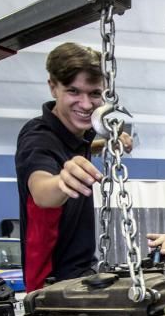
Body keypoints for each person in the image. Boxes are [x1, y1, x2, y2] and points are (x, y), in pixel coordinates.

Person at [15, 42, 131, 292]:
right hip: (51, 284)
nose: (86, 104)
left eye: (95, 93)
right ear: (53, 87)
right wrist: (62, 181)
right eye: (73, 91)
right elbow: (41, 190)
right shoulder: (38, 136)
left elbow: (77, 147)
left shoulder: (81, 134)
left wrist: (105, 143)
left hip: (82, 272)